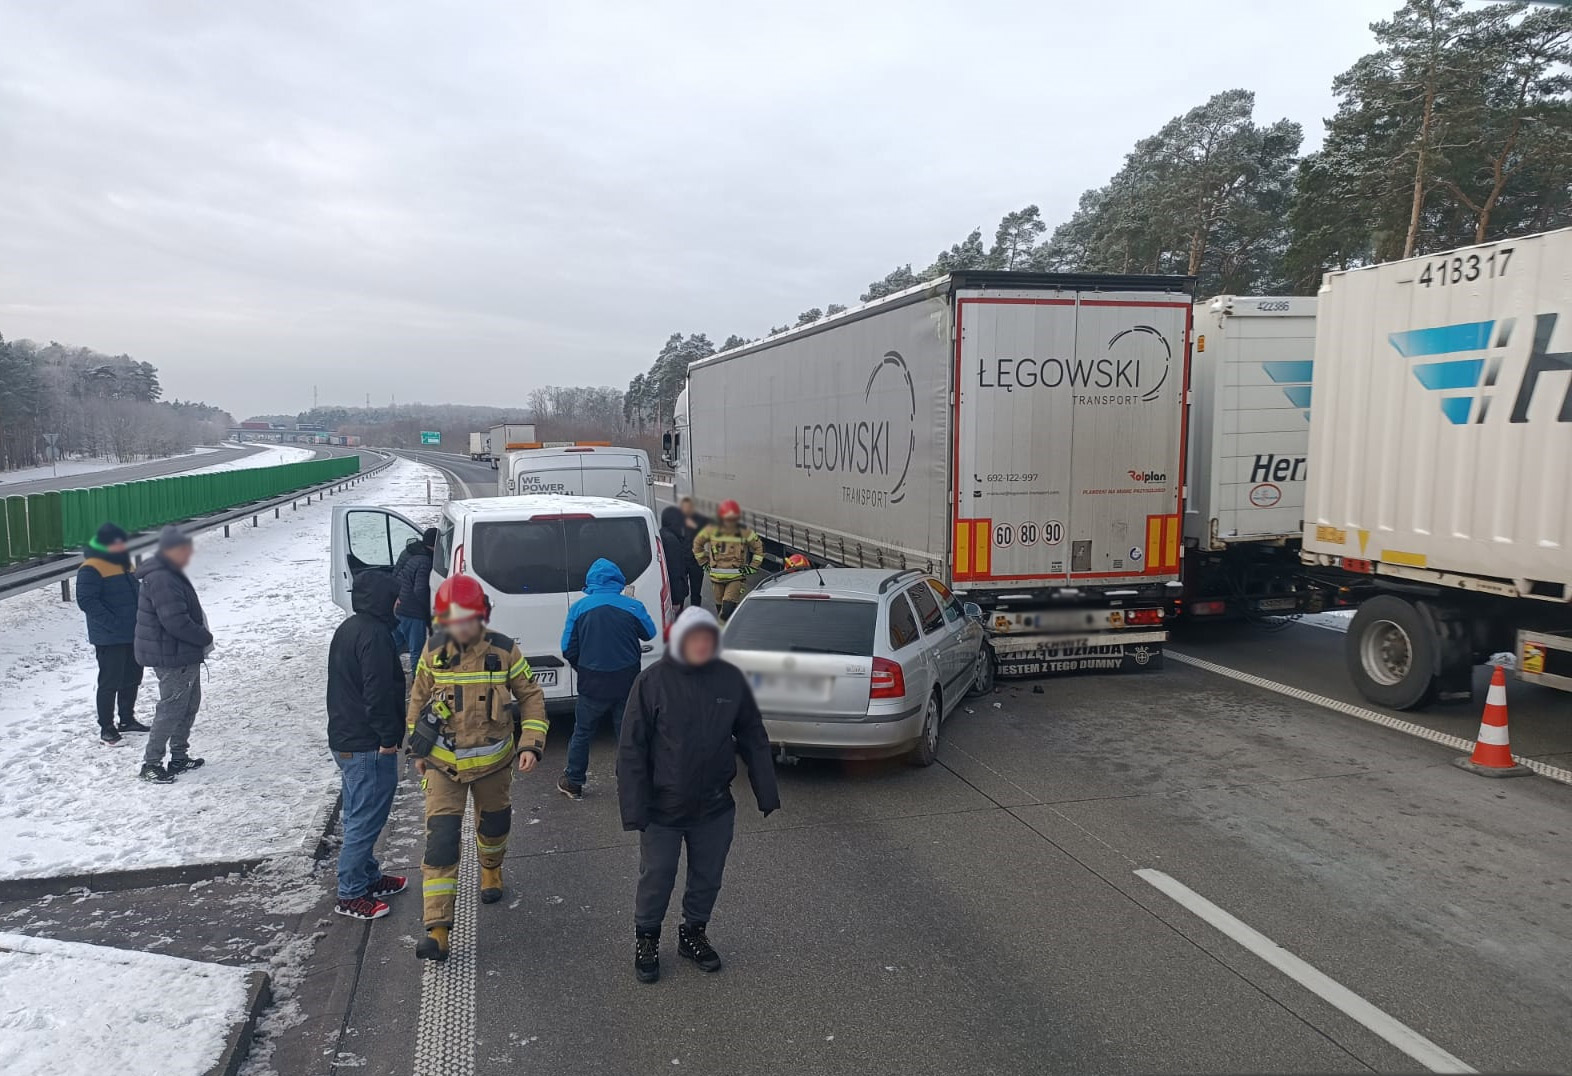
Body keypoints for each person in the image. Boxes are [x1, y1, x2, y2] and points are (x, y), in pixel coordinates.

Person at [617, 607, 779, 984]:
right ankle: (647, 938)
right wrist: (633, 807)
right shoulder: (652, 682)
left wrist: (765, 791)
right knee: (657, 876)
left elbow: (753, 735)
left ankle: (693, 933)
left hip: (714, 805)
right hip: (663, 808)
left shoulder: (730, 680)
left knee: (708, 877)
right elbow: (631, 749)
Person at [407, 574, 548, 961]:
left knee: (494, 827)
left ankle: (491, 868)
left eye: (466, 620)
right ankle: (437, 931)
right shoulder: (432, 651)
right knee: (440, 841)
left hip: (493, 766)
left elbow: (531, 697)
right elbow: (417, 701)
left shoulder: (504, 651)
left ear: (482, 616)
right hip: (443, 767)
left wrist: (531, 745)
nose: (459, 629)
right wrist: (417, 749)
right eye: (451, 621)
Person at [326, 571, 408, 921]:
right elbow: (378, 693)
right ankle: (351, 893)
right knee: (365, 818)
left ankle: (367, 876)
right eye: (396, 595)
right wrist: (389, 739)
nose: (400, 602)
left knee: (360, 813)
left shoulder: (351, 627)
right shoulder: (374, 636)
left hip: (347, 737)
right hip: (367, 744)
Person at [557, 557, 656, 800]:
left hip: (592, 682)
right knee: (627, 733)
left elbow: (567, 647)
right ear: (619, 581)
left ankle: (574, 780)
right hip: (627, 681)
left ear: (591, 582)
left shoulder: (579, 608)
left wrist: (584, 667)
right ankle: (630, 781)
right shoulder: (632, 606)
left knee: (582, 732)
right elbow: (650, 633)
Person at [133, 526, 213, 784]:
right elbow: (175, 621)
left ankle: (179, 756)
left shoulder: (170, 573)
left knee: (188, 705)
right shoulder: (162, 578)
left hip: (182, 654)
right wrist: (204, 637)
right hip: (173, 656)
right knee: (171, 709)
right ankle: (151, 764)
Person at [76, 522, 147, 747]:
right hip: (110, 636)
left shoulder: (123, 563)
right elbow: (86, 600)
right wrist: (113, 623)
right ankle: (106, 726)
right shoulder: (92, 567)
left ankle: (127, 719)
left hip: (132, 632)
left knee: (132, 677)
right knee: (110, 681)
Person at [692, 500, 763, 623]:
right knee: (722, 611)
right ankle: (730, 631)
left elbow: (758, 547)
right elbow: (697, 544)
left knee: (726, 611)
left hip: (735, 578)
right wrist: (703, 563)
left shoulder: (743, 531)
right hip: (716, 579)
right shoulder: (711, 530)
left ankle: (723, 636)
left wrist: (753, 567)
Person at [393, 527, 436, 669]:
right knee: (416, 650)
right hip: (413, 612)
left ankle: (383, 670)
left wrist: (395, 596)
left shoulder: (409, 552)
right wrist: (427, 612)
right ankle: (417, 684)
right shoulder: (425, 561)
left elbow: (395, 574)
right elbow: (420, 590)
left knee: (394, 645)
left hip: (400, 607)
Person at [659, 506, 692, 610]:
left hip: (667, 590)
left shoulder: (661, 534)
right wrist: (676, 599)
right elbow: (675, 571)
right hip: (674, 595)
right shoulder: (672, 541)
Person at [678, 497, 707, 610]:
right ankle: (679, 612)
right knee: (681, 590)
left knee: (696, 591)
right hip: (682, 561)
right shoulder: (677, 521)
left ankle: (695, 611)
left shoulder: (700, 520)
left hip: (696, 562)